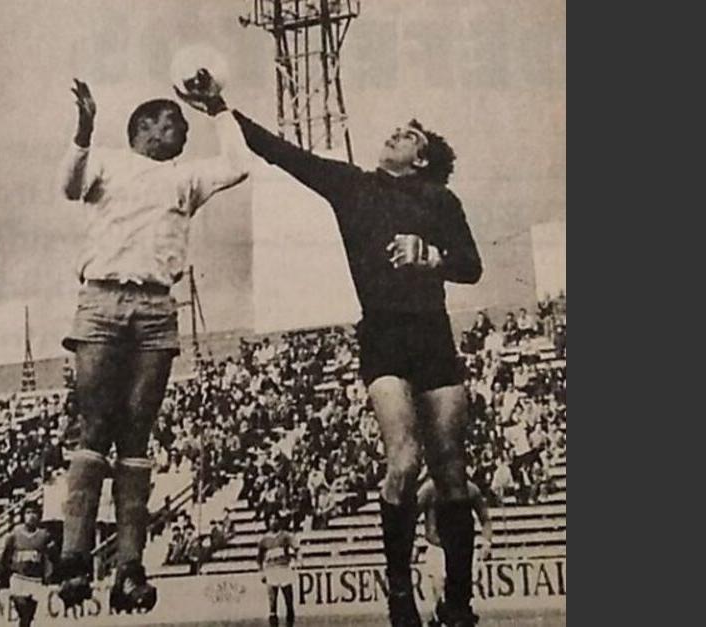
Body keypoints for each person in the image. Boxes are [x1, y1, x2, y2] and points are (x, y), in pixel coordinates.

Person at [177, 89, 483, 626]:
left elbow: (471, 266)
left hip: (434, 334)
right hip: (384, 335)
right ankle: (399, 598)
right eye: (395, 129)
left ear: (423, 157)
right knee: (404, 461)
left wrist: (430, 256)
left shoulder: (440, 200)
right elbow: (280, 151)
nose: (395, 134)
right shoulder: (353, 186)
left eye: (408, 135)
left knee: (453, 473)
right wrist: (221, 107)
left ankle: (458, 602)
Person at [54, 76, 249, 611]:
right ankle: (73, 558)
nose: (183, 132)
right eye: (175, 123)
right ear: (145, 127)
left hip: (158, 307)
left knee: (138, 436)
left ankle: (129, 568)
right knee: (94, 425)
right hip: (102, 300)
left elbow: (238, 164)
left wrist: (218, 108)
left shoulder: (184, 178)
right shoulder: (108, 161)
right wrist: (84, 129)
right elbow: (69, 186)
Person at [417, 478, 492, 627]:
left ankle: (458, 616)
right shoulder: (429, 489)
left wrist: (486, 542)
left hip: (461, 549)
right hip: (437, 547)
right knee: (439, 588)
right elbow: (411, 515)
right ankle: (440, 616)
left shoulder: (470, 489)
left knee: (462, 591)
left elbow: (485, 519)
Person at [0, 502, 55, 627]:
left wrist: (48, 575)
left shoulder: (44, 536)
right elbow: (4, 557)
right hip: (18, 579)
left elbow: (47, 559)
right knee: (22, 607)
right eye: (28, 513)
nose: (31, 516)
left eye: (34, 513)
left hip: (35, 580)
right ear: (23, 515)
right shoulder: (14, 534)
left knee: (28, 616)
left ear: (39, 516)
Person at [257, 516, 300, 627]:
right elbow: (259, 558)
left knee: (289, 602)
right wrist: (262, 572)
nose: (273, 521)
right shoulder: (264, 540)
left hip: (284, 569)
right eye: (270, 519)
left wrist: (296, 561)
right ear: (268, 522)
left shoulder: (285, 536)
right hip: (271, 571)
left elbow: (297, 548)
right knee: (272, 604)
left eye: (275, 518)